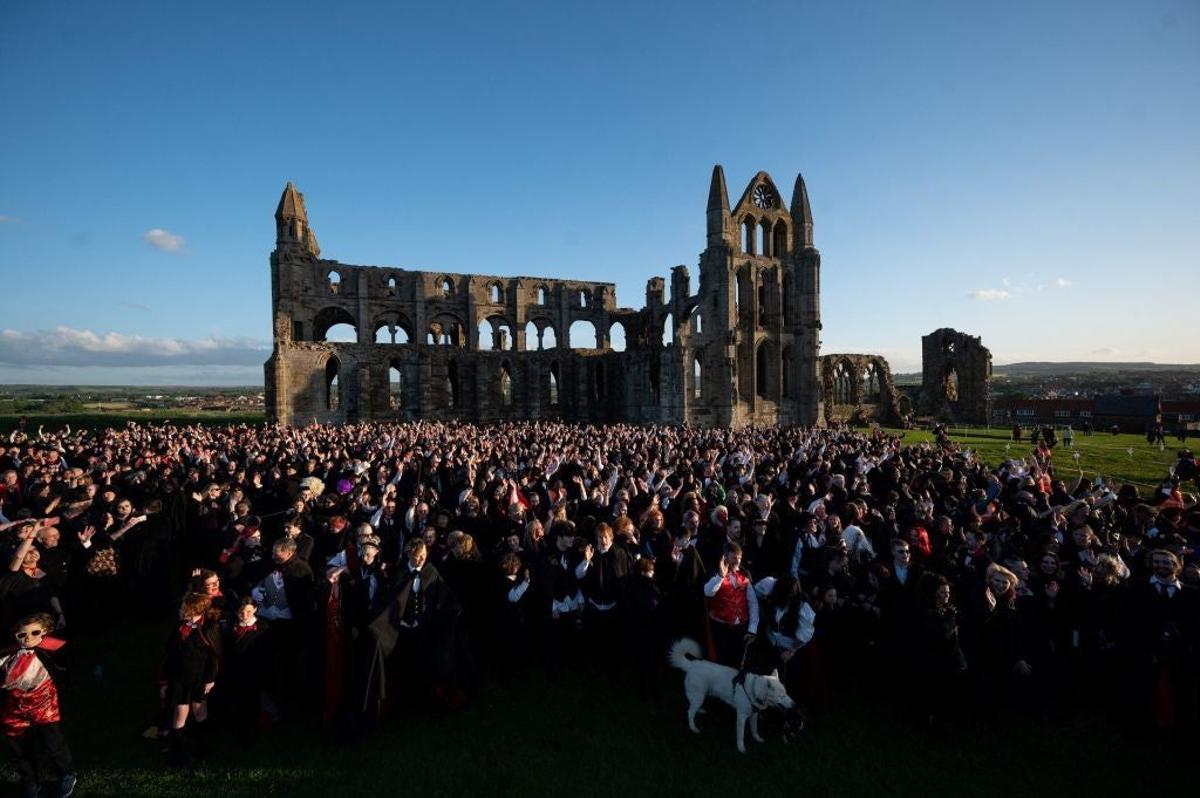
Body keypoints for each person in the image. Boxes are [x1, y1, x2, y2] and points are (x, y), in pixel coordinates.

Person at [0, 612, 76, 798]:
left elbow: (66, 666)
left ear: (45, 632)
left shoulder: (52, 649)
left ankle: (66, 773)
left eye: (35, 633)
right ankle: (31, 782)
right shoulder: (7, 654)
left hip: (44, 704)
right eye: (22, 635)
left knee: (53, 742)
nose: (29, 638)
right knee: (20, 748)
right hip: (14, 707)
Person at [160, 592, 220, 766]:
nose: (180, 610)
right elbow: (168, 655)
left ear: (193, 610)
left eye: (183, 607)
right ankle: (177, 751)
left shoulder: (207, 629)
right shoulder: (179, 628)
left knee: (200, 710)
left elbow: (215, 657)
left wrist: (210, 680)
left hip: (199, 680)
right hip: (179, 680)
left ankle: (202, 748)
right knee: (180, 713)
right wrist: (164, 680)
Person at [703, 543, 759, 668]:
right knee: (721, 664)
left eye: (739, 558)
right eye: (734, 558)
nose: (737, 562)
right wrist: (720, 576)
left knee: (738, 664)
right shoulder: (714, 571)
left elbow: (753, 603)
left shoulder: (745, 573)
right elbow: (708, 592)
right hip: (721, 628)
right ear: (725, 557)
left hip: (741, 628)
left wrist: (752, 628)